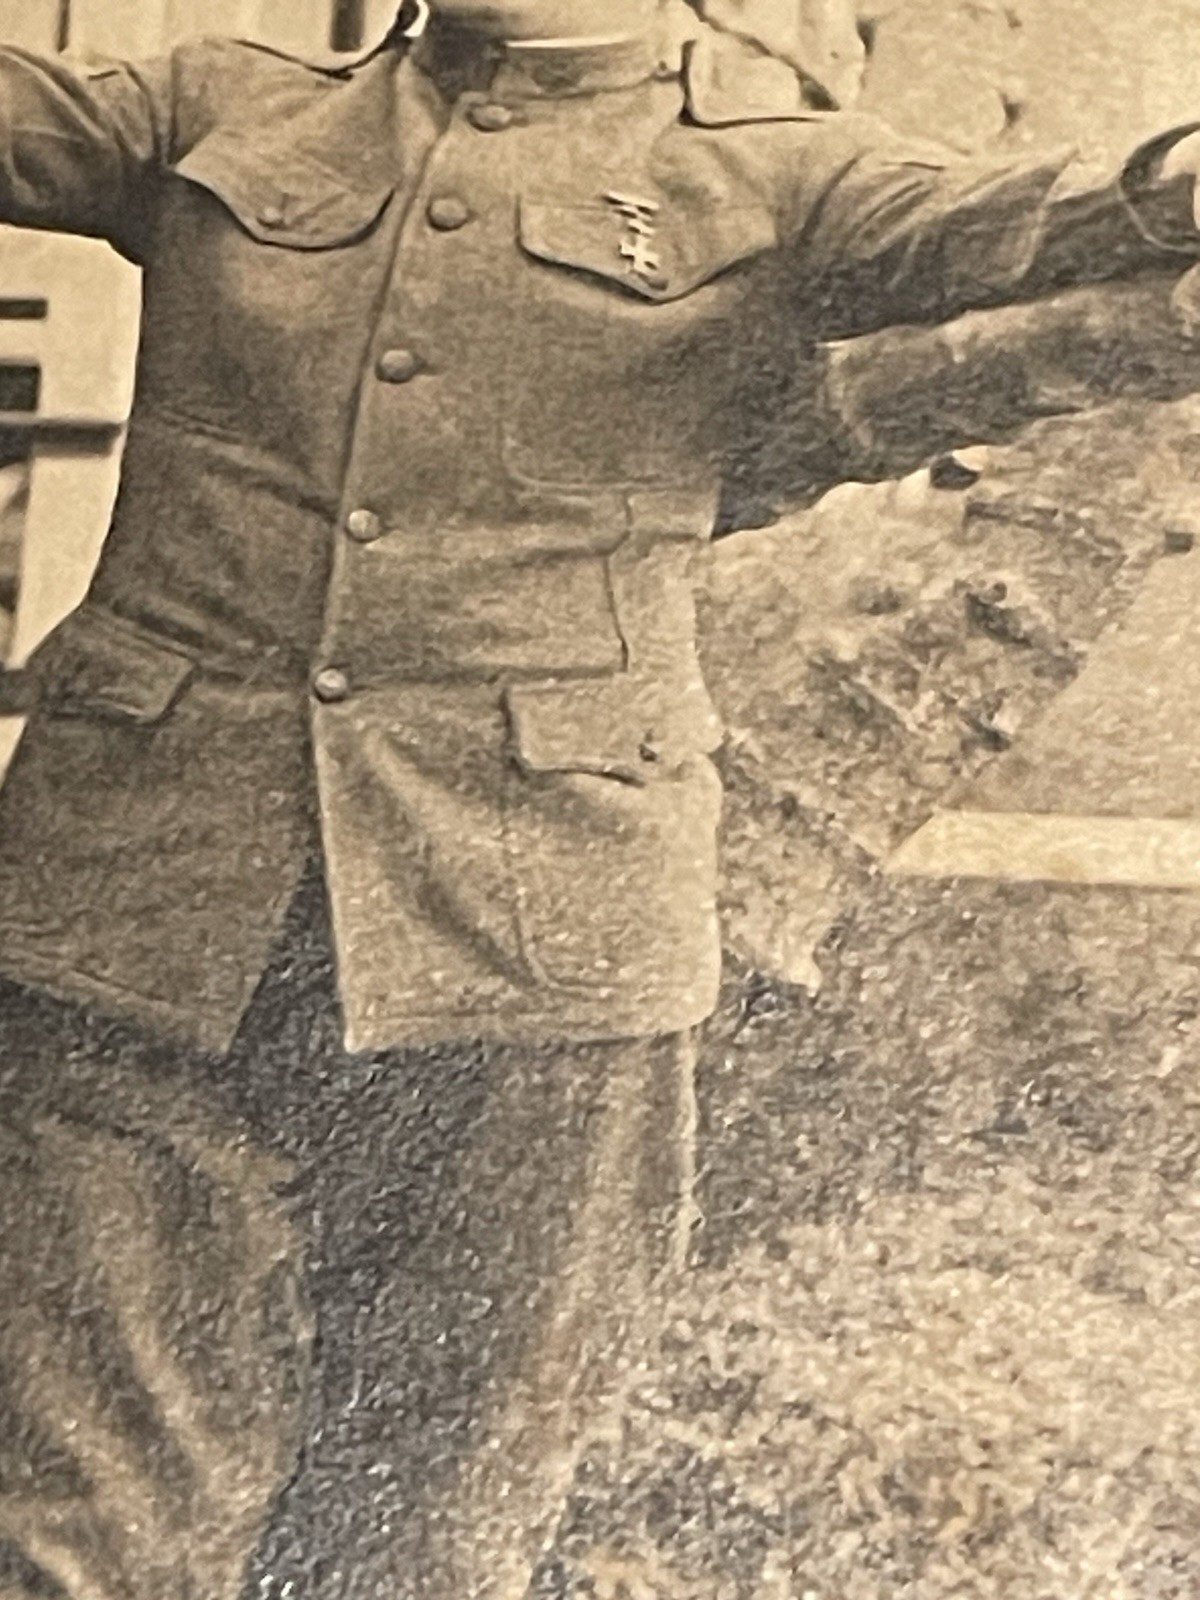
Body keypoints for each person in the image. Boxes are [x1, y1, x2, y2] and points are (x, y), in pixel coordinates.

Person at [1, 1, 1200, 1596]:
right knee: (72, 1521)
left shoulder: (783, 169)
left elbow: (1060, 218)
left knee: (433, 1515)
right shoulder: (218, 106)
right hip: (139, 910)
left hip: (538, 939)